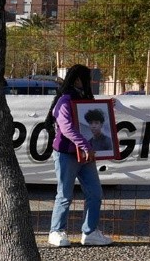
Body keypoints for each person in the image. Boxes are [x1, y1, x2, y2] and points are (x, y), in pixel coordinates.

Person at [46, 64, 112, 247]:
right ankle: (56, 231)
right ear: (77, 79)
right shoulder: (65, 100)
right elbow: (66, 128)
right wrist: (85, 145)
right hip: (67, 153)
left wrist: (107, 108)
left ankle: (90, 232)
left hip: (84, 154)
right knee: (65, 195)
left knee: (95, 193)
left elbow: (90, 116)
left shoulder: (84, 98)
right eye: (86, 78)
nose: (89, 82)